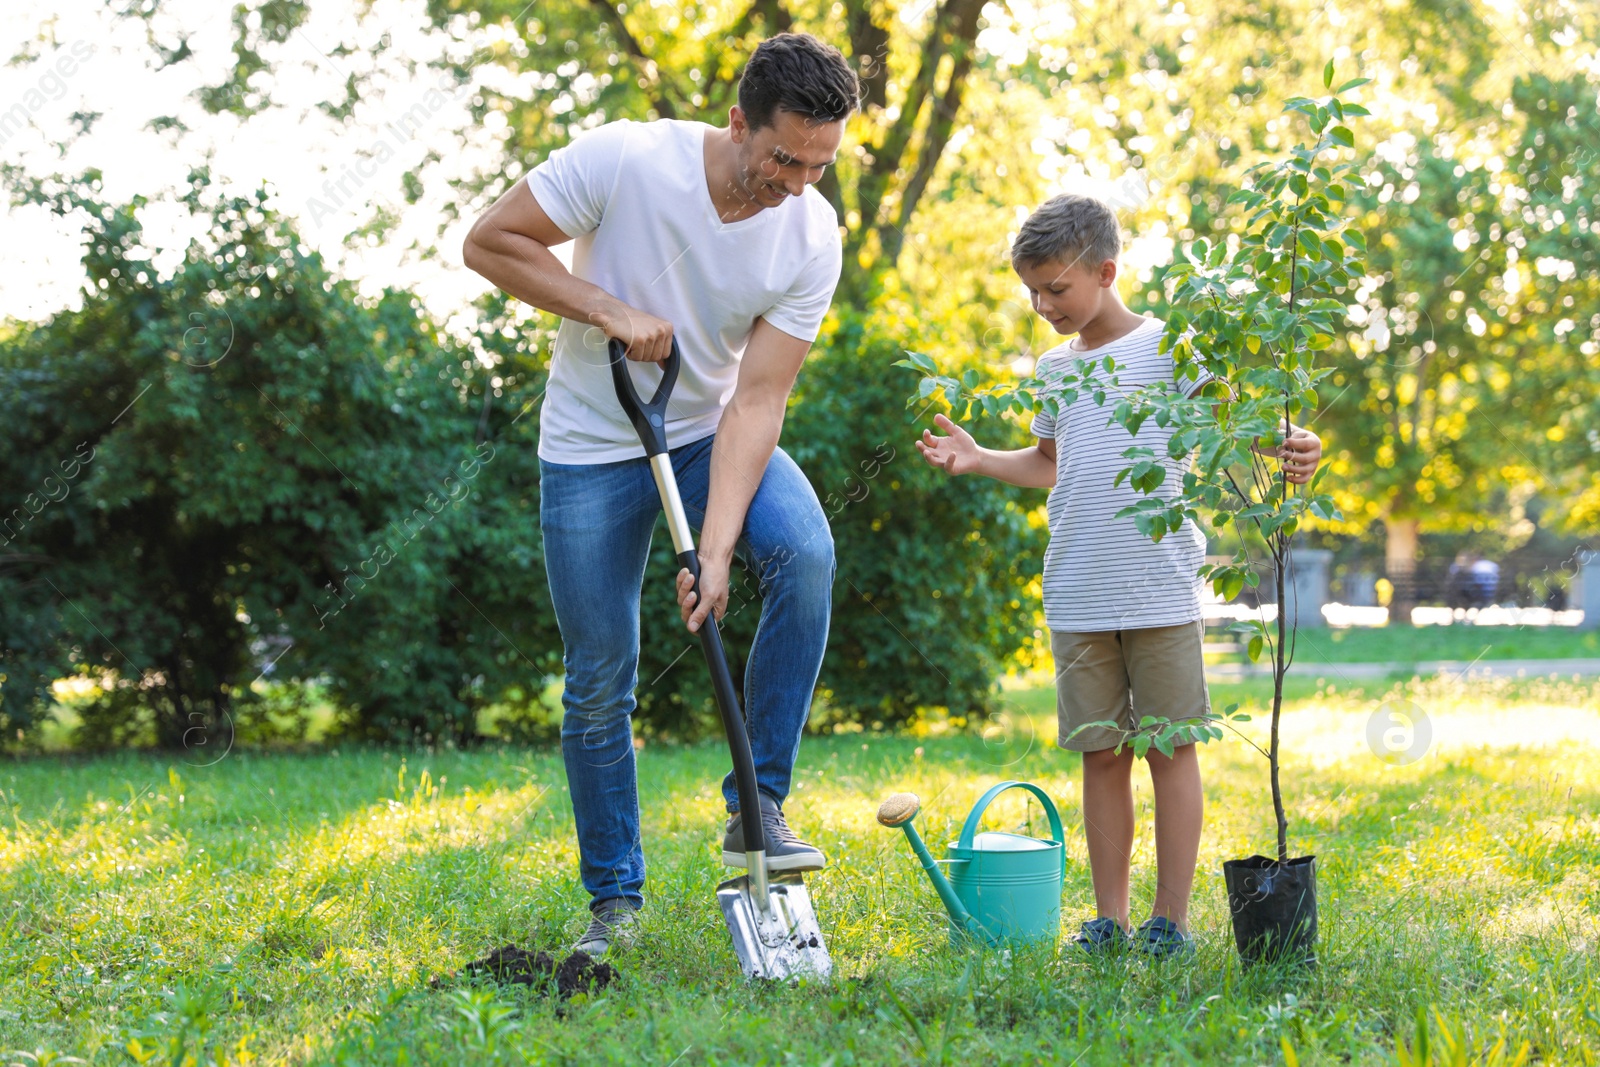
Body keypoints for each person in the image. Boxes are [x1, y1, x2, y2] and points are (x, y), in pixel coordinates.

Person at [462, 33, 860, 955]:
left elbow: (759, 397)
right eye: (783, 158)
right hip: (590, 447)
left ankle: (757, 800)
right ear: (737, 124)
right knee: (601, 676)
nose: (796, 181)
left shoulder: (810, 232)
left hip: (706, 432)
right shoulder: (627, 158)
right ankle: (615, 901)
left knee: (803, 552)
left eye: (819, 164)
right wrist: (606, 307)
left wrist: (714, 549)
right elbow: (489, 241)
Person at [915, 194, 1324, 958]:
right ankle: (1111, 918)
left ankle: (1171, 922)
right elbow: (1047, 463)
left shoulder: (1171, 348)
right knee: (1101, 753)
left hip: (1158, 588)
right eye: (1032, 291)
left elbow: (1233, 423)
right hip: (1076, 589)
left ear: (1105, 271)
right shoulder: (1053, 370)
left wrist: (1292, 442)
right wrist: (977, 458)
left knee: (1170, 749)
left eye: (1055, 289)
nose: (1042, 305)